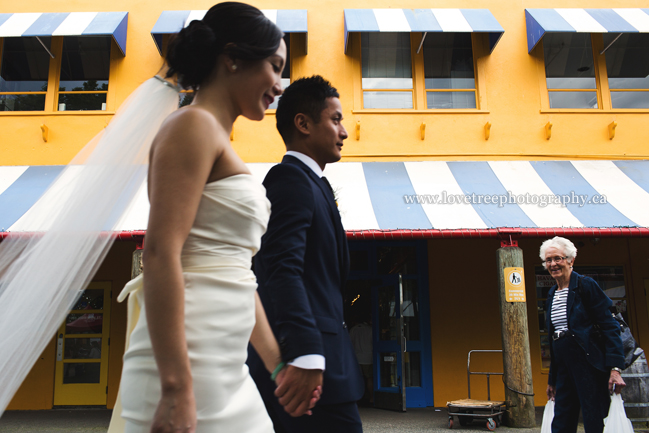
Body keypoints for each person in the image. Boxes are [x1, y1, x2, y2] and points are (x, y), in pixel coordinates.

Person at [106, 3, 322, 433]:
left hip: (225, 366)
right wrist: (175, 387)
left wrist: (276, 363)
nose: (279, 86)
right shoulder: (192, 127)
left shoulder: (215, 138)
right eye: (275, 67)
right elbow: (161, 252)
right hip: (189, 363)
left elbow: (236, 275)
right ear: (232, 57)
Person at [248, 76, 365, 433]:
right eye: (335, 119)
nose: (344, 131)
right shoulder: (289, 180)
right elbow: (282, 269)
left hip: (325, 366)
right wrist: (305, 355)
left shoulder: (316, 184)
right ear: (303, 124)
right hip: (305, 370)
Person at [541, 236, 625, 433]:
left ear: (571, 260)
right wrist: (552, 379)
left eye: (558, 258)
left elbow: (609, 326)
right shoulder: (552, 294)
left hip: (589, 363)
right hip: (563, 365)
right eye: (548, 260)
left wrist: (615, 368)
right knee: (561, 420)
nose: (553, 264)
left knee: (594, 417)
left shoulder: (586, 285)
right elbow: (555, 338)